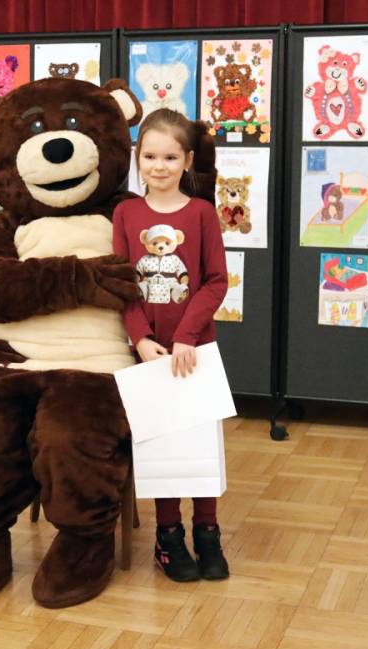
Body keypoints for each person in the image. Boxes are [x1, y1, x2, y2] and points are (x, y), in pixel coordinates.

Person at [112, 108, 230, 582]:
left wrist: (186, 337)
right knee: (162, 446)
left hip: (195, 352)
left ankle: (208, 533)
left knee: (199, 445)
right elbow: (122, 283)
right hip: (148, 355)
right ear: (137, 157)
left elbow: (216, 281)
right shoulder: (126, 213)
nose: (158, 166)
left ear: (187, 161)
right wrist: (140, 337)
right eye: (149, 156)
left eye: (170, 157)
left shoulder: (201, 214)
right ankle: (168, 537)